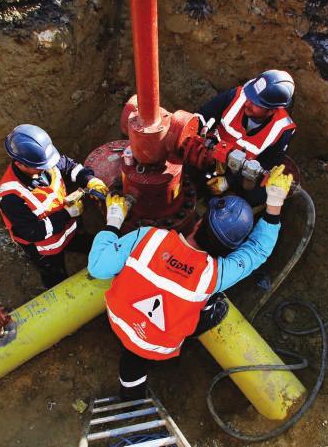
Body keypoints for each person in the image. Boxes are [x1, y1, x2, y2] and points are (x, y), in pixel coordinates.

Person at [87, 165, 294, 400]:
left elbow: (98, 267)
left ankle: (131, 396)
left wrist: (114, 219)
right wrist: (275, 203)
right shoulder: (215, 275)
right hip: (159, 345)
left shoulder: (150, 237)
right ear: (231, 250)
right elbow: (257, 250)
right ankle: (139, 384)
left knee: (132, 356)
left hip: (117, 318)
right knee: (218, 305)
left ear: (198, 223)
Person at [0, 124, 108, 289]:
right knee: (56, 279)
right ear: (20, 164)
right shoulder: (10, 196)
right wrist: (67, 213)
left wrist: (90, 180)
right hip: (46, 251)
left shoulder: (44, 162)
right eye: (42, 166)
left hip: (70, 230)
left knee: (87, 243)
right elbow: (32, 232)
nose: (48, 167)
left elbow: (69, 166)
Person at [195, 70, 297, 206]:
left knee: (259, 195)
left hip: (240, 172)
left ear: (272, 110)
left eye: (256, 103)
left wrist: (228, 182)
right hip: (210, 152)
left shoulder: (282, 130)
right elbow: (202, 116)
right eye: (249, 97)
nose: (247, 103)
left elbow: (267, 165)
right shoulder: (235, 97)